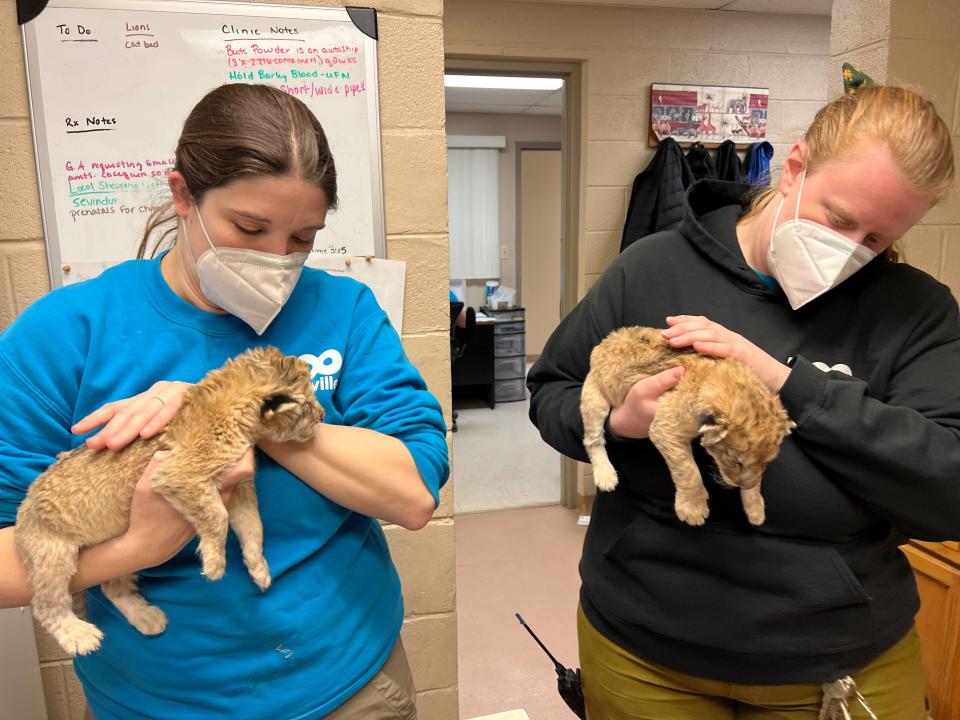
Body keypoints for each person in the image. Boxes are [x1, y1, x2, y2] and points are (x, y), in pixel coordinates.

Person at [0, 83, 448, 720]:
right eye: (249, 228)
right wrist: (137, 549)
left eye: (302, 239)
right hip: (165, 699)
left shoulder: (343, 309)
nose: (276, 259)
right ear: (183, 195)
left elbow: (412, 494)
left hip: (351, 680)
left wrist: (232, 411)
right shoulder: (65, 335)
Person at [528, 85, 959, 719]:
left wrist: (785, 380)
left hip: (838, 652)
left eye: (875, 239)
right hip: (647, 641)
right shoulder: (650, 269)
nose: (850, 251)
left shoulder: (917, 311)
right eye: (839, 220)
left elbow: (947, 489)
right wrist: (621, 423)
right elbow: (554, 391)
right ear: (793, 168)